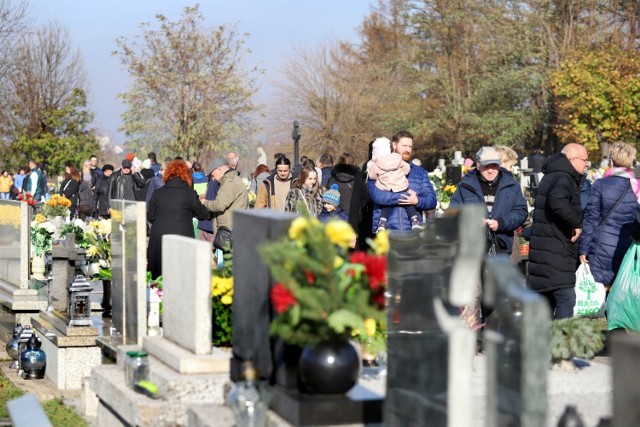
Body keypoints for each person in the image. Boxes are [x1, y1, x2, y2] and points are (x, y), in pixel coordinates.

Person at [527, 143, 589, 319]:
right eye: (584, 160)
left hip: (546, 252)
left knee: (546, 302)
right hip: (556, 251)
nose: (587, 164)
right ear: (572, 159)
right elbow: (557, 202)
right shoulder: (564, 177)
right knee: (566, 299)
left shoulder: (553, 174)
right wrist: (577, 223)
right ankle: (560, 342)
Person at [579, 142, 640, 288]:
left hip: (602, 247)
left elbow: (591, 219)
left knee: (602, 293)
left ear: (611, 162)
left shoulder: (600, 184)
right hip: (630, 248)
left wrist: (583, 249)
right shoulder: (637, 186)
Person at [449, 146, 528, 255]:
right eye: (486, 166)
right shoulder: (465, 186)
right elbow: (453, 212)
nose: (490, 170)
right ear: (478, 165)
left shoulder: (511, 185)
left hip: (502, 247)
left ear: (499, 165)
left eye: (494, 166)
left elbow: (520, 211)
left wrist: (500, 223)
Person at [147, 160, 209, 279]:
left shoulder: (158, 193)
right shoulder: (190, 194)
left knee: (159, 277)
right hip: (183, 238)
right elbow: (203, 214)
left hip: (159, 238)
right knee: (181, 276)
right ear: (186, 176)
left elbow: (150, 216)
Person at [367, 130, 437, 231]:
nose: (408, 149)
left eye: (410, 146)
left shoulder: (419, 172)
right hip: (386, 233)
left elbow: (431, 200)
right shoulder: (377, 167)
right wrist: (405, 197)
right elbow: (377, 196)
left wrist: (417, 200)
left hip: (413, 233)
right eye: (404, 145)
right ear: (394, 145)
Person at [201, 158, 249, 244]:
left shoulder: (230, 182)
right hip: (230, 229)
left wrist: (204, 202)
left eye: (213, 175)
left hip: (230, 231)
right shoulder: (229, 181)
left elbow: (220, 205)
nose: (213, 179)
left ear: (219, 170)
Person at [327, 152, 369, 246]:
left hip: (336, 218)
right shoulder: (358, 180)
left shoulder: (332, 179)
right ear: (352, 163)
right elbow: (365, 199)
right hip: (354, 219)